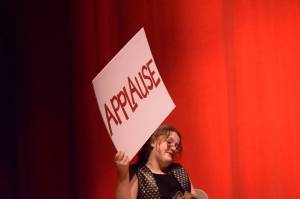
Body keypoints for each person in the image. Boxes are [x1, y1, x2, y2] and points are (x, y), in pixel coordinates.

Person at [114, 124, 196, 199]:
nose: (174, 148)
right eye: (169, 142)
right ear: (153, 142)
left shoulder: (179, 171)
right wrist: (123, 176)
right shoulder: (138, 172)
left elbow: (194, 196)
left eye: (176, 146)